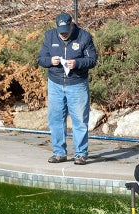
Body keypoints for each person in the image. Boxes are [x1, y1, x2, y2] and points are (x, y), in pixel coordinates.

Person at [37, 13, 97, 165]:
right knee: (55, 120)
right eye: (60, 31)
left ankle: (80, 154)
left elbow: (92, 60)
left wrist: (77, 63)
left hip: (77, 84)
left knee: (80, 121)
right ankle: (59, 153)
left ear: (72, 25)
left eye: (66, 30)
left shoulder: (84, 37)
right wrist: (50, 61)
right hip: (55, 84)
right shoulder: (50, 36)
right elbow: (41, 59)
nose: (63, 34)